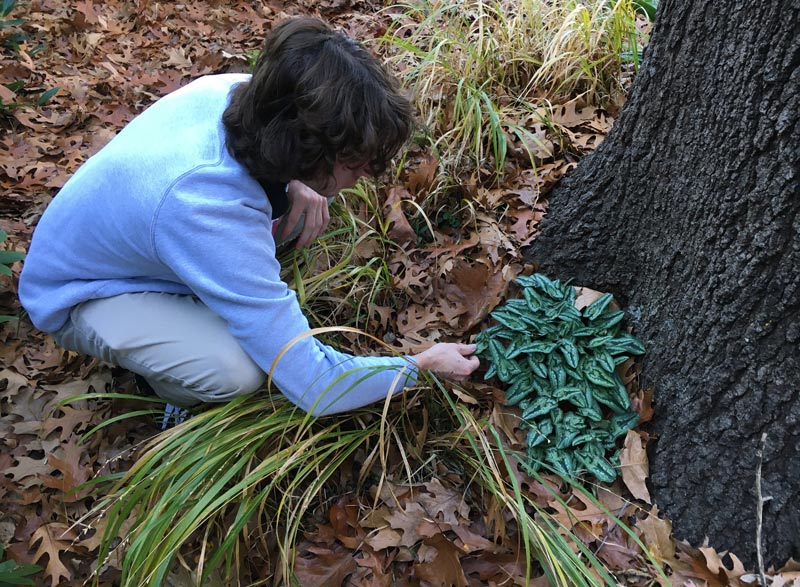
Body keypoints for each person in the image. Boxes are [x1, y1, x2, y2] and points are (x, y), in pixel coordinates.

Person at [18, 17, 479, 416]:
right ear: (303, 143)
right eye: (352, 161)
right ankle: (170, 390)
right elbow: (314, 386)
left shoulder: (242, 94)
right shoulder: (206, 206)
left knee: (304, 207)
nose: (362, 176)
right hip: (79, 295)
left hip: (129, 244)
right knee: (234, 371)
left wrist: (297, 181)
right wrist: (419, 366)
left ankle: (194, 306)